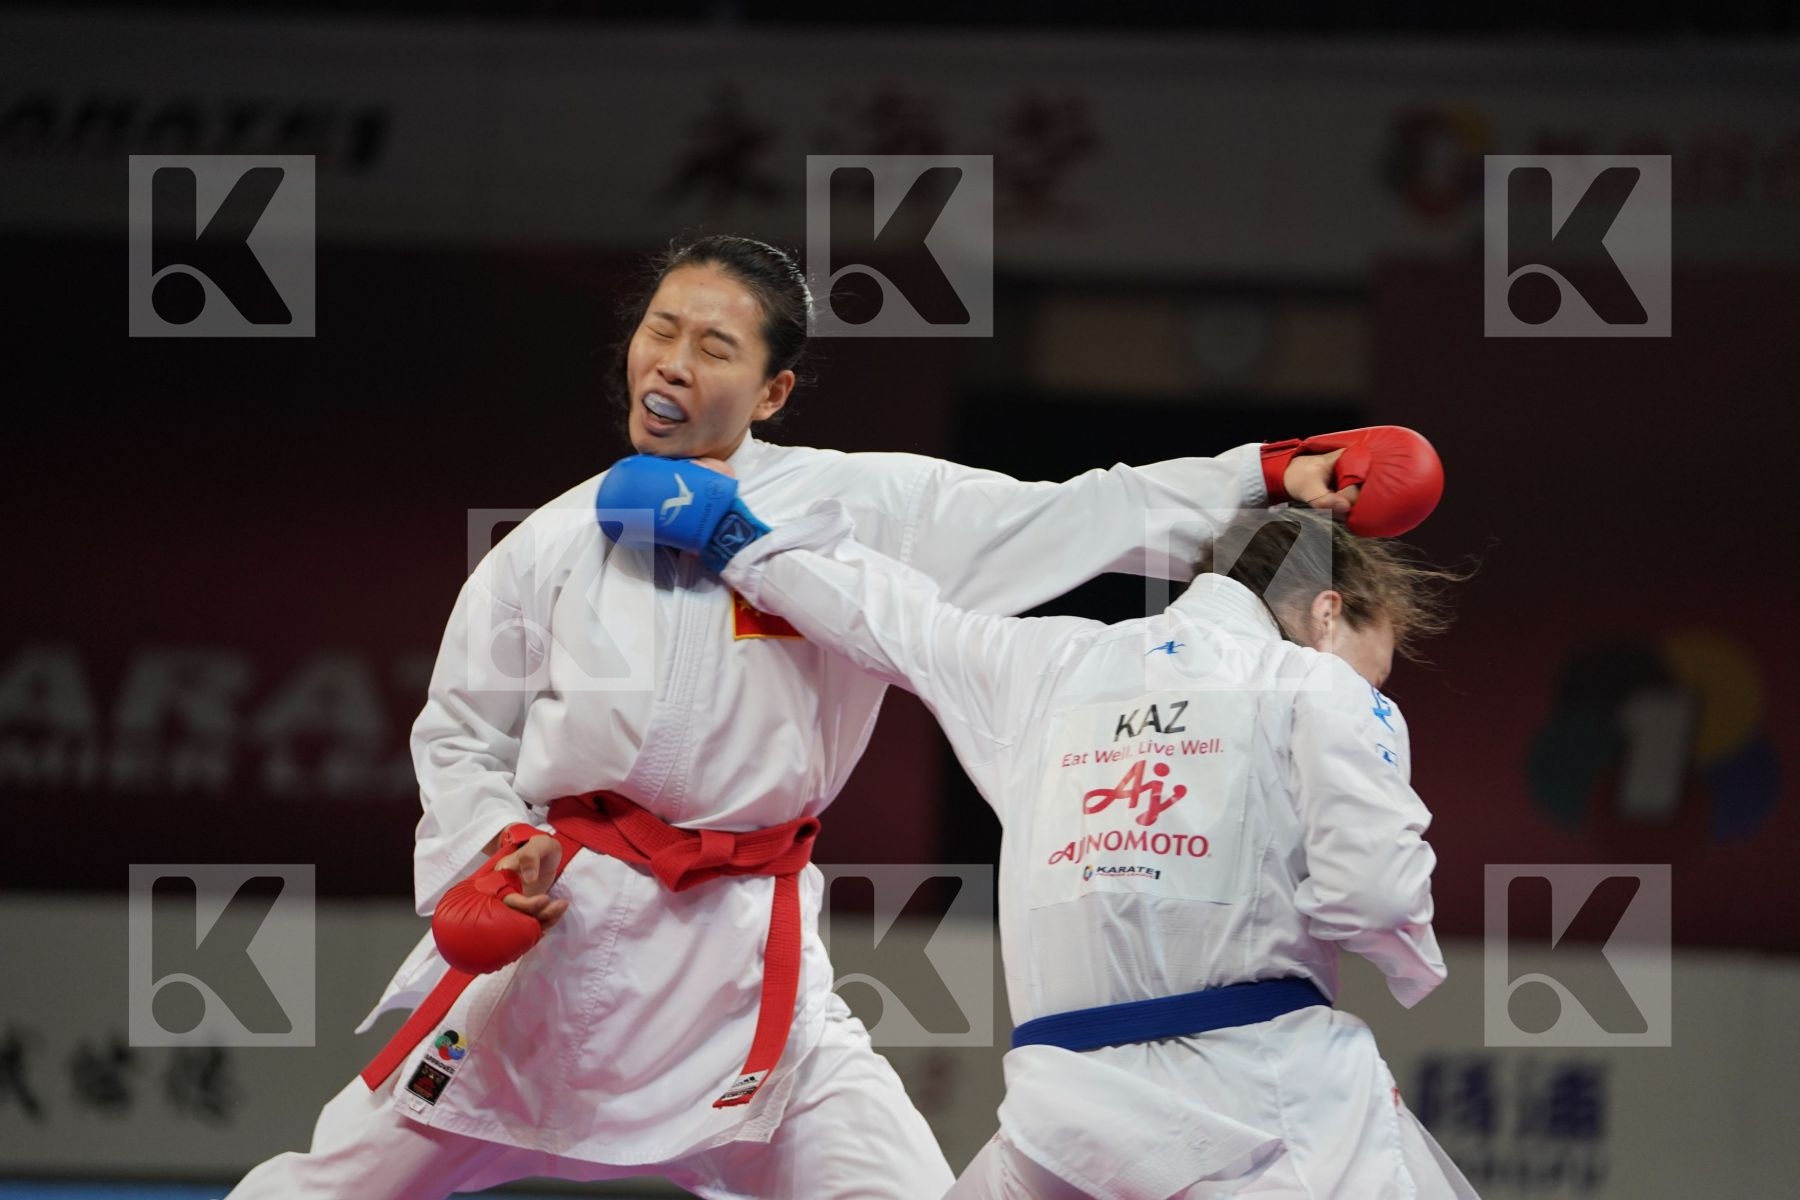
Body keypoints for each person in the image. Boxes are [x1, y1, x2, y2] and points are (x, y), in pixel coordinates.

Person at [225, 233, 1404, 1200]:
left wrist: (1264, 469)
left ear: (774, 388)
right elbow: (459, 733)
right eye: (660, 332)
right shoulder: (545, 541)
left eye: (714, 346)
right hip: (569, 942)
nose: (673, 363)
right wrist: (492, 854)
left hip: (749, 962)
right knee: (327, 1185)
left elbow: (1064, 516)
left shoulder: (854, 509)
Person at [608, 451, 1476, 1198]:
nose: (1376, 689)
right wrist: (1403, 954)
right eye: (1378, 668)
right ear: (1328, 613)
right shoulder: (1319, 688)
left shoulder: (1047, 663)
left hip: (1062, 1122)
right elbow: (1374, 898)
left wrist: (728, 534)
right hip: (1268, 1108)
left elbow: (892, 618)